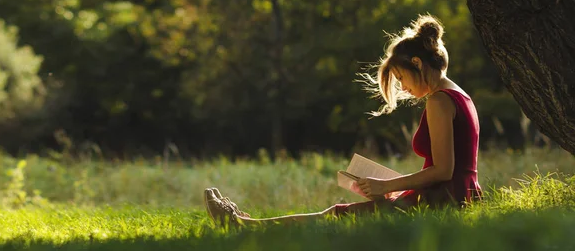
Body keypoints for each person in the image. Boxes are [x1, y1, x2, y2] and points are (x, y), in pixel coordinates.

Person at [204, 14, 483, 226]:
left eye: (400, 78)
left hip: (443, 199)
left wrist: (386, 186)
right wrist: (389, 185)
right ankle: (245, 223)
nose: (403, 88)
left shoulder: (438, 101)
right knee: (342, 214)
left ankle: (242, 225)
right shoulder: (460, 96)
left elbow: (444, 171)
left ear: (417, 64)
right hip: (455, 195)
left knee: (337, 216)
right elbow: (453, 169)